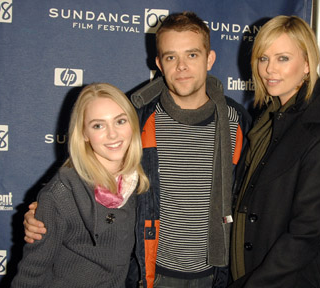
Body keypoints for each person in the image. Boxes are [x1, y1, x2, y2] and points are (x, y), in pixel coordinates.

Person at [22, 12, 251, 288]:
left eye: (191, 55)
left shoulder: (236, 121)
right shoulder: (137, 114)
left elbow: (248, 193)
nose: (181, 67)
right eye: (170, 57)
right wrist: (44, 213)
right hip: (149, 271)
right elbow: (87, 166)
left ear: (209, 59)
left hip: (216, 273)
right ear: (159, 63)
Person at [229, 15, 320, 287]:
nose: (269, 69)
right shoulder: (266, 122)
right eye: (263, 58)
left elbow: (306, 234)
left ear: (307, 64)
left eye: (283, 58)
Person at [12, 83, 149, 287]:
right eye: (98, 125)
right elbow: (29, 276)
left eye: (120, 121)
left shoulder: (139, 184)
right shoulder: (61, 193)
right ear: (84, 133)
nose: (113, 134)